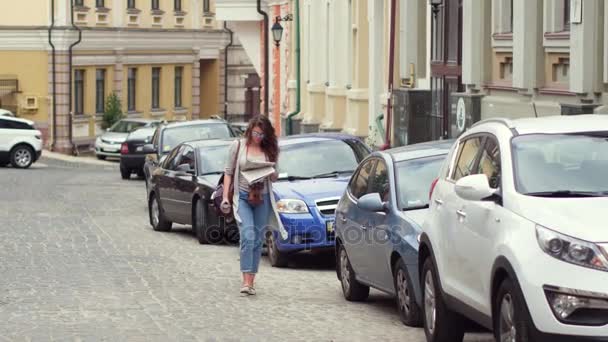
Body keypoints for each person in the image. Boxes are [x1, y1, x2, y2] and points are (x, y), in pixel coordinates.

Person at [222, 116, 286, 296]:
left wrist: (272, 173)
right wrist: (226, 197)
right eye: (256, 133)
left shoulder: (269, 150)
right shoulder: (238, 146)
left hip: (262, 198)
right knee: (247, 235)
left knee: (257, 239)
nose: (258, 137)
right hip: (242, 197)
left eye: (262, 134)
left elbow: (275, 175)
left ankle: (251, 281)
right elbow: (228, 172)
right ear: (250, 130)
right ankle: (244, 280)